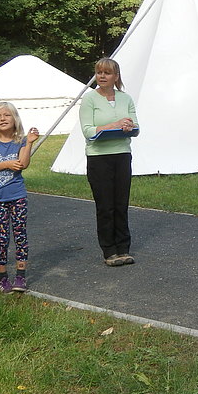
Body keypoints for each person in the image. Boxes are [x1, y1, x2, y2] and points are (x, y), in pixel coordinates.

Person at [80, 57, 139, 267]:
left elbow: (136, 127)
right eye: (99, 72)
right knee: (105, 206)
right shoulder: (89, 99)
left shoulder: (126, 98)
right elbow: (88, 131)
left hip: (122, 155)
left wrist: (129, 127)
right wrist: (114, 125)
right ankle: (109, 250)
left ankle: (123, 248)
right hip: (99, 158)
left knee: (121, 203)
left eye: (107, 73)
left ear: (116, 76)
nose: (102, 76)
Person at [0, 102, 39, 293]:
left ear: (15, 118)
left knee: (20, 235)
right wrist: (6, 164)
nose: (2, 119)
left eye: (7, 115)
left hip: (17, 196)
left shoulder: (20, 141)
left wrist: (29, 143)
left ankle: (20, 276)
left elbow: (23, 164)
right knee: (2, 238)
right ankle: (2, 278)